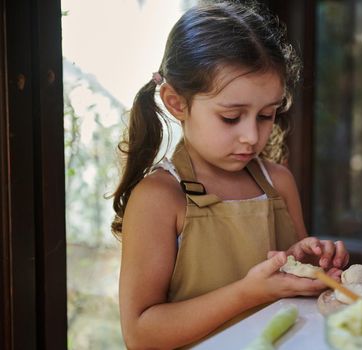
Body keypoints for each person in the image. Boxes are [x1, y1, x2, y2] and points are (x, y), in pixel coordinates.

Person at [111, 1, 349, 348]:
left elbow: (290, 286)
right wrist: (246, 293)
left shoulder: (278, 183)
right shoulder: (159, 198)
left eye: (266, 115)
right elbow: (140, 335)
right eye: (231, 117)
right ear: (177, 103)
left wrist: (306, 263)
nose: (252, 136)